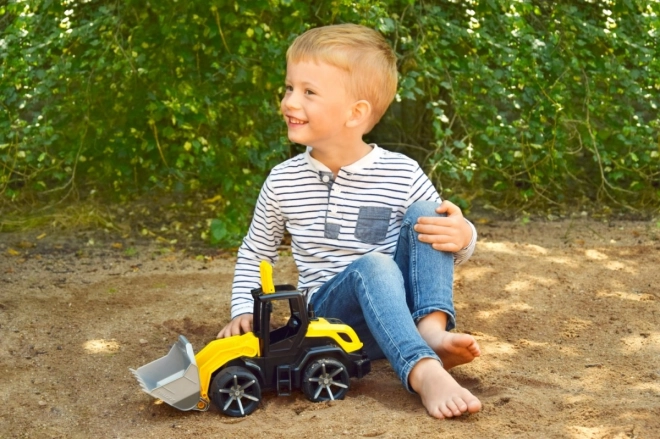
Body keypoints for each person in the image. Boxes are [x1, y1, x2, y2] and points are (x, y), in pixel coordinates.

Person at [217, 23, 482, 419]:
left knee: (429, 213)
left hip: (395, 315)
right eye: (289, 88)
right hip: (329, 322)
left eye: (308, 92)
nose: (290, 101)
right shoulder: (283, 181)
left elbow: (443, 245)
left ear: (355, 113)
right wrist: (242, 308)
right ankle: (424, 369)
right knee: (374, 265)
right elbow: (257, 250)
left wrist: (464, 236)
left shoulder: (401, 172)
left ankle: (430, 330)